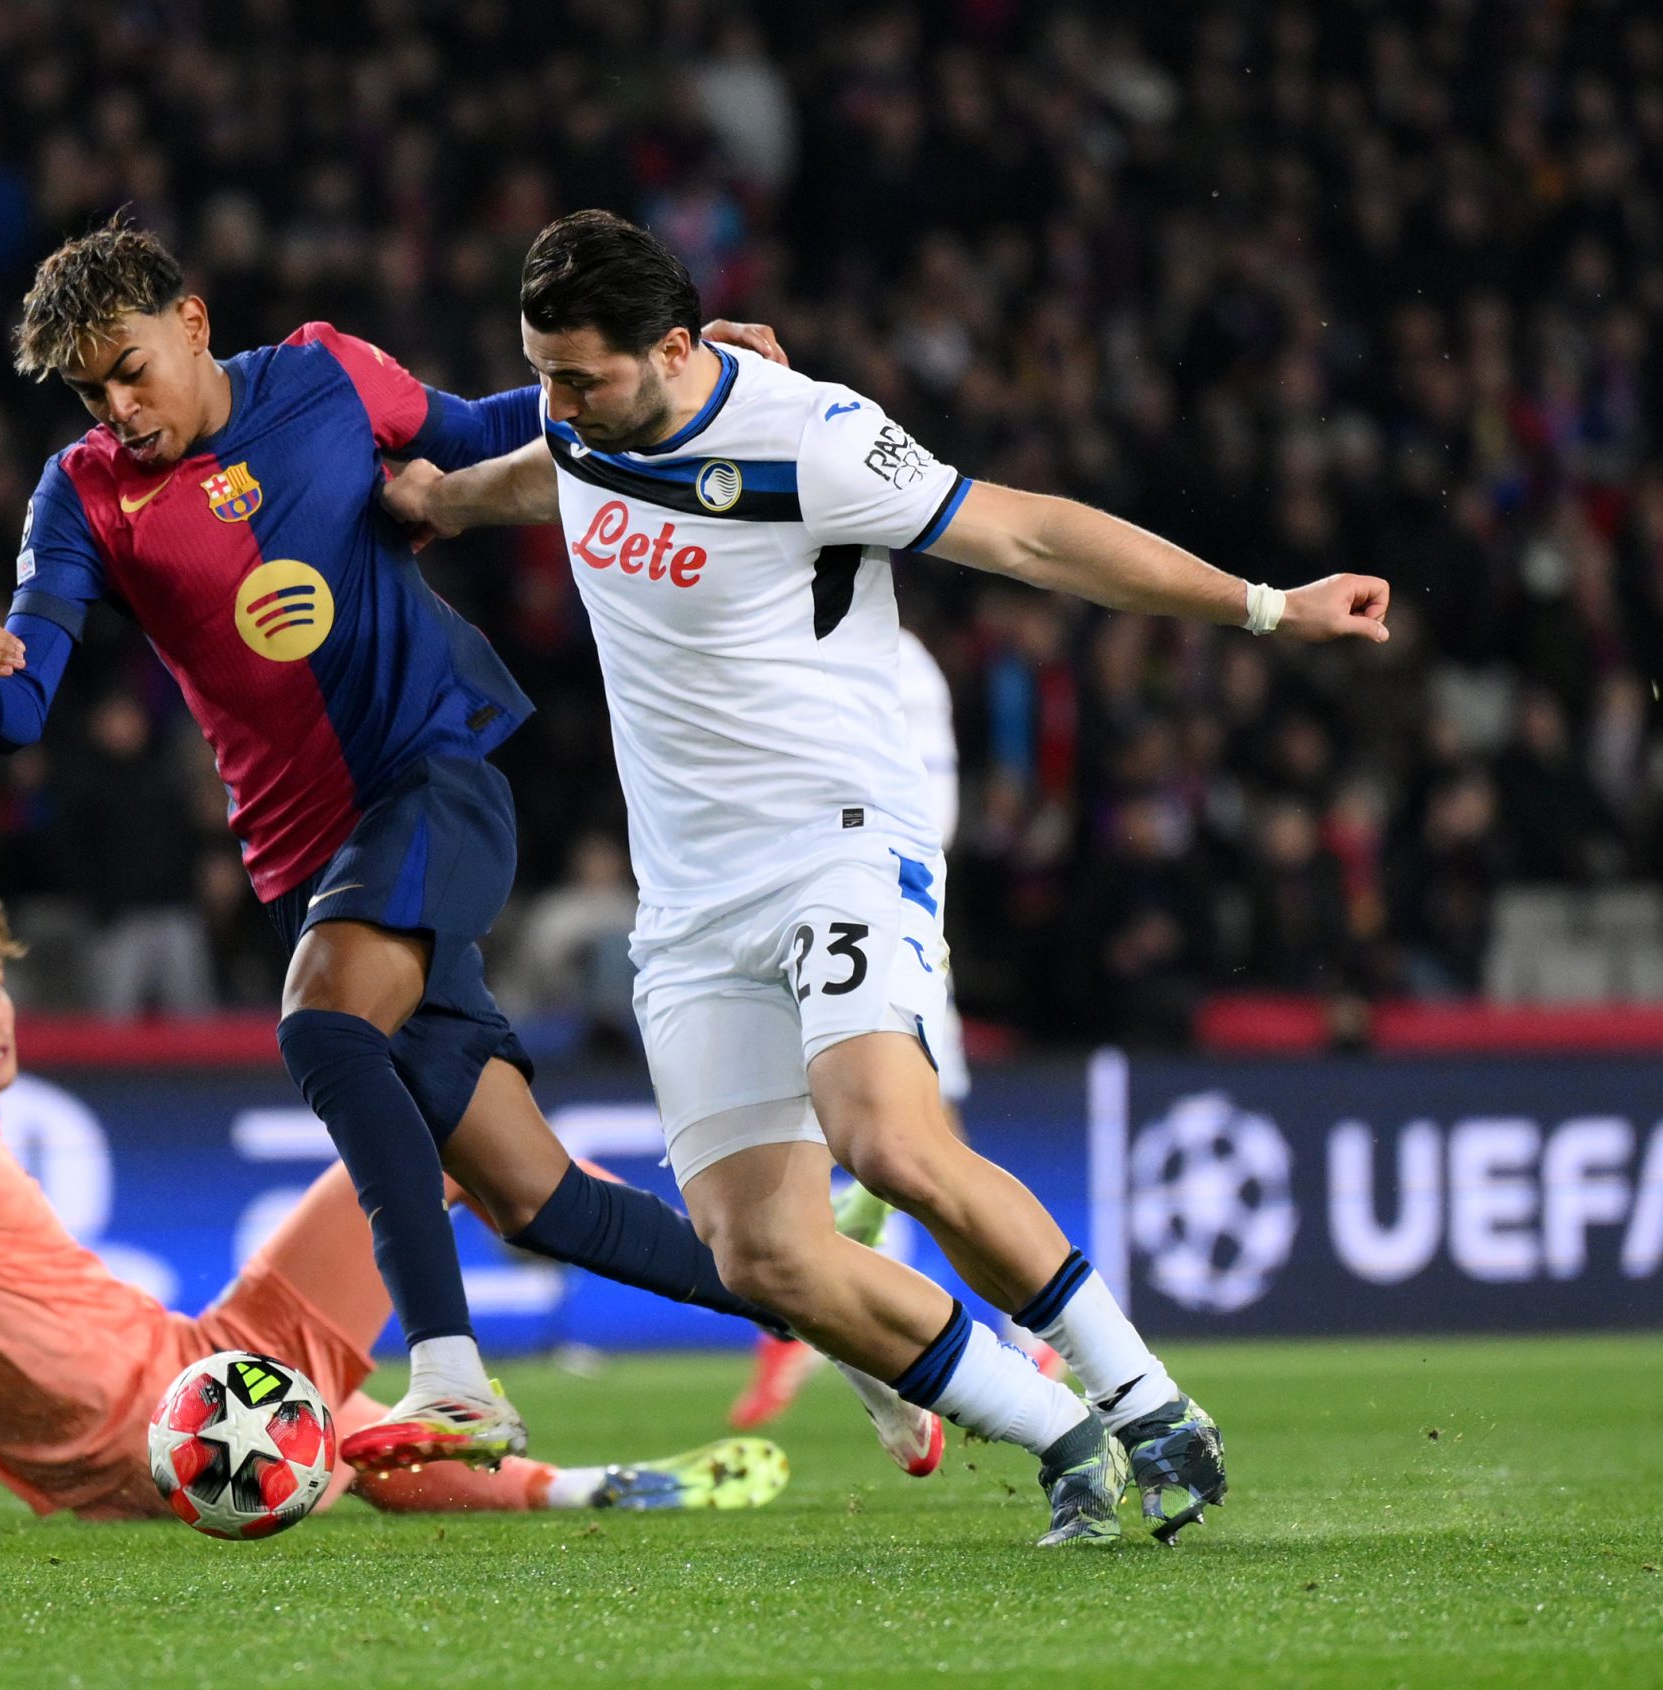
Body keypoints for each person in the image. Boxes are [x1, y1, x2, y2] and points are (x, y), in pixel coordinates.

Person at [382, 211, 1392, 1545]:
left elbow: (1029, 536)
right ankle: (1058, 1434)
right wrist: (435, 499)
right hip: (689, 905)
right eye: (542, 373)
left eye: (578, 378)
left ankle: (1150, 1401)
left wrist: (1266, 605)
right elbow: (531, 475)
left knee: (889, 1140)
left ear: (675, 348)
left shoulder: (811, 434)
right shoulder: (584, 428)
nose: (555, 404)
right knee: (767, 1255)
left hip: (836, 838)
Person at [0, 218, 796, 1472]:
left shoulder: (327, 376)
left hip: (431, 776)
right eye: (86, 390)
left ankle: (449, 1376)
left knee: (324, 1026)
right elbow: (16, 708)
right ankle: (845, 1318)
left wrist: (687, 375)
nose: (115, 407)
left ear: (192, 323)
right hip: (304, 865)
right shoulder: (82, 495)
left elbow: (490, 427)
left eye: (128, 368)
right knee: (534, 1198)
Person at [0, 850, 787, 1525]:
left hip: (132, 1446)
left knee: (352, 1437)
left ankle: (591, 1490)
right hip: (184, 1393)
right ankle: (752, 1257)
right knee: (445, 1138)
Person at [728, 628, 1063, 1451]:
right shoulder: (757, 636)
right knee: (793, 1131)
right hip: (767, 926)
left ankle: (1032, 1330)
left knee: (923, 1140)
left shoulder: (896, 660)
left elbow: (930, 812)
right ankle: (821, 1317)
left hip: (877, 916)